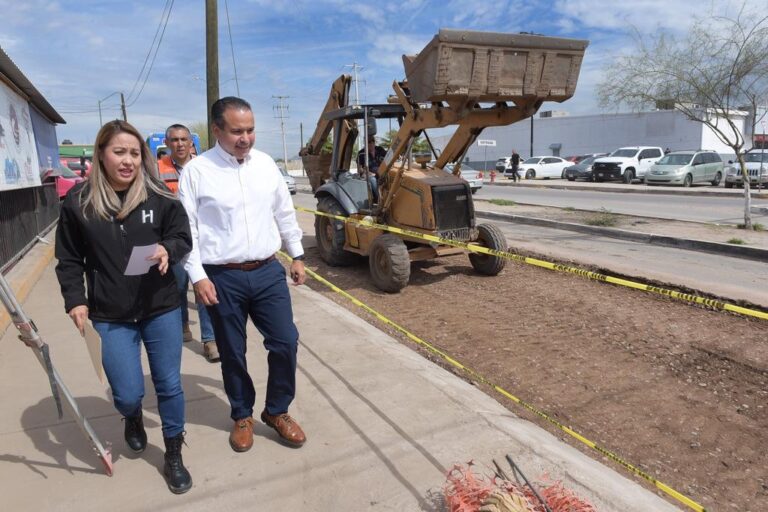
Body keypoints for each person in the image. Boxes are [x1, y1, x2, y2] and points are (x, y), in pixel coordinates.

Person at [54, 120, 193, 494]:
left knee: (168, 384)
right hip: (110, 314)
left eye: (134, 153)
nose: (128, 161)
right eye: (119, 152)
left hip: (160, 306)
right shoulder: (79, 203)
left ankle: (174, 452)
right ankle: (131, 417)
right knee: (128, 392)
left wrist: (169, 249)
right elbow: (68, 259)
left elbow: (182, 236)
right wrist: (76, 300)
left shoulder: (159, 196)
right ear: (101, 154)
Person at [178, 97, 307, 453]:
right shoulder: (197, 171)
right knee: (233, 351)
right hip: (222, 277)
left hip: (267, 271)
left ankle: (277, 411)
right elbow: (187, 231)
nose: (245, 137)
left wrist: (296, 253)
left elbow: (284, 212)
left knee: (285, 341)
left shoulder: (265, 165)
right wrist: (198, 276)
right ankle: (241, 415)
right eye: (237, 131)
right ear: (217, 130)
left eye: (250, 129)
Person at [159, 123, 218, 362]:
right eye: (174, 140)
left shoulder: (203, 167)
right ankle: (183, 324)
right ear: (167, 143)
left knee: (203, 285)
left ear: (191, 143)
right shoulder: (157, 169)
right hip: (173, 238)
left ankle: (209, 339)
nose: (180, 144)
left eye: (184, 139)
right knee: (179, 286)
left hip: (201, 237)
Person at [356, 134, 386, 202]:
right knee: (373, 180)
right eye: (368, 142)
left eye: (372, 141)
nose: (370, 143)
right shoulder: (361, 153)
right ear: (365, 143)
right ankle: (380, 200)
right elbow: (359, 169)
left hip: (381, 173)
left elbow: (388, 159)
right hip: (369, 175)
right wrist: (368, 173)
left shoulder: (380, 150)